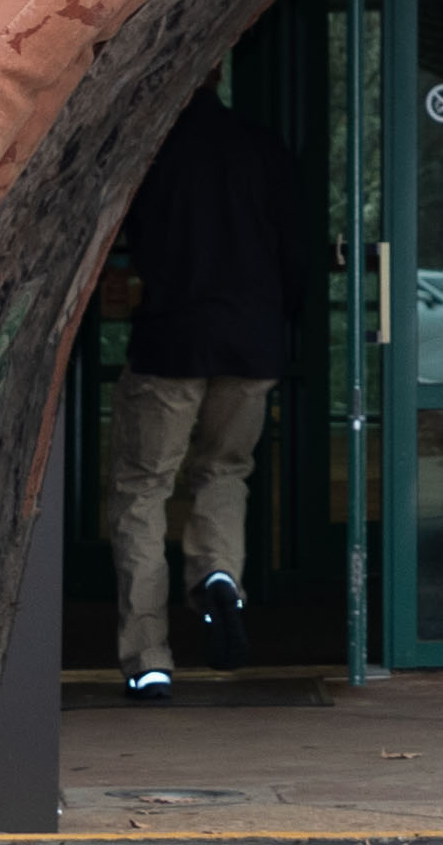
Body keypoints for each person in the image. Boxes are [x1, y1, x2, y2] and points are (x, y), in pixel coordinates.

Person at [101, 85, 313, 700]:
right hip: (252, 346)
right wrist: (277, 322)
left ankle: (149, 659)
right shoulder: (262, 148)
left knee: (143, 491)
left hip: (172, 342)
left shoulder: (149, 149)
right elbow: (294, 255)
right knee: (224, 472)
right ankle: (219, 578)